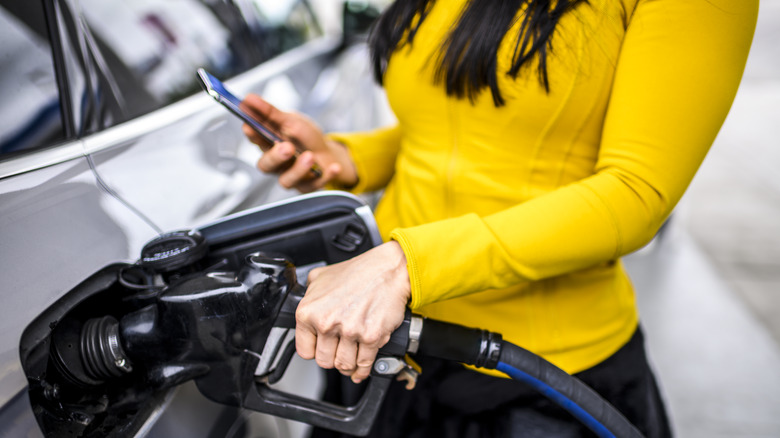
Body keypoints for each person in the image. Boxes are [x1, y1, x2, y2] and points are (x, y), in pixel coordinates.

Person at [241, 0, 758, 436]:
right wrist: (345, 158)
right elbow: (446, 129)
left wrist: (403, 266)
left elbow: (635, 192)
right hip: (391, 351)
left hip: (535, 380)